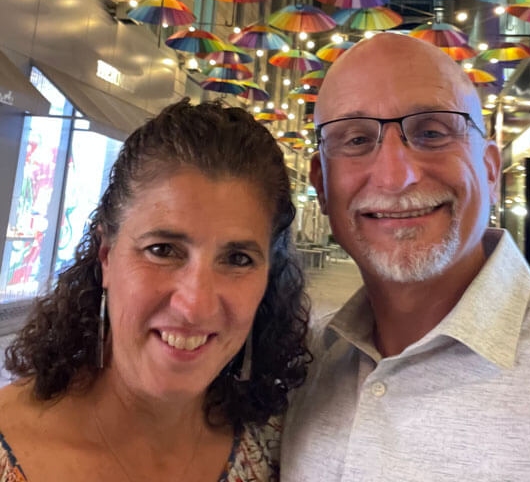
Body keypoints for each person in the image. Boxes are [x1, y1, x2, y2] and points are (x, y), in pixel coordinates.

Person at [281, 33, 530, 481]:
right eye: (355, 140)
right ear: (322, 186)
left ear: (490, 170)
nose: (395, 176)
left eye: (432, 132)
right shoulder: (301, 364)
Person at [0, 99, 310, 482]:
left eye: (238, 259)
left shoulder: (286, 450)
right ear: (107, 255)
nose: (195, 306)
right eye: (162, 251)